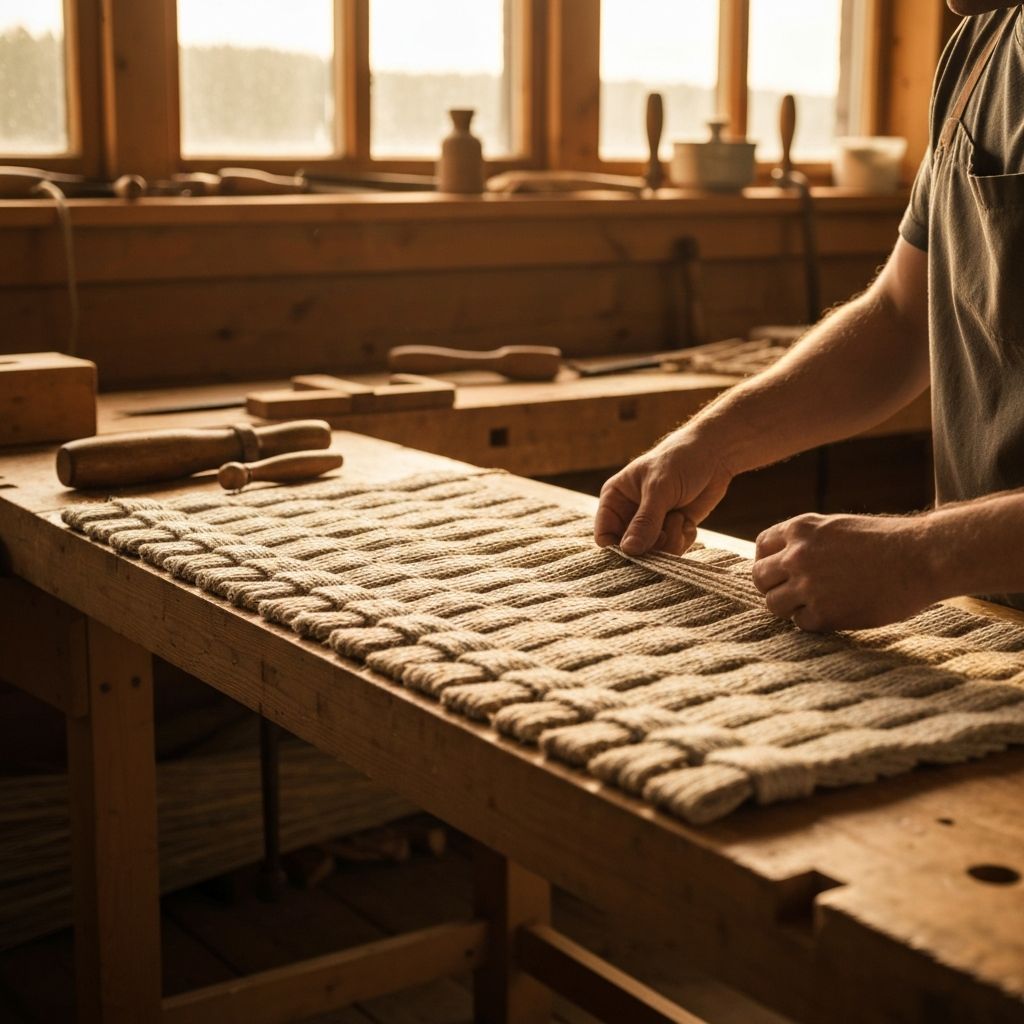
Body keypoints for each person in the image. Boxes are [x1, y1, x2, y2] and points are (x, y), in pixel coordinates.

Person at [594, 1, 1024, 632]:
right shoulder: (979, 49)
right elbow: (901, 319)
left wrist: (921, 556)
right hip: (989, 619)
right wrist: (712, 443)